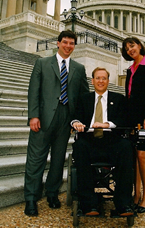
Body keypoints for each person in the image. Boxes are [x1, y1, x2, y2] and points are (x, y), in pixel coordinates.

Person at [24, 30, 89, 216]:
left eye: (72, 43)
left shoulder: (78, 68)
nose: (68, 46)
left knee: (58, 160)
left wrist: (79, 120)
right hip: (43, 118)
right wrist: (33, 116)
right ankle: (30, 198)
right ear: (58, 43)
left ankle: (52, 194)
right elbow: (33, 91)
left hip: (65, 119)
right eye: (65, 42)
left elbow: (84, 96)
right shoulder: (42, 63)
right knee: (36, 159)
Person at [72, 67, 134, 217]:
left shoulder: (118, 99)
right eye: (98, 78)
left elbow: (124, 119)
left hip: (112, 141)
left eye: (104, 78)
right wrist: (76, 123)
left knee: (126, 147)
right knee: (79, 147)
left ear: (108, 81)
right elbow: (75, 117)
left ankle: (123, 204)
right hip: (89, 141)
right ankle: (89, 203)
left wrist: (107, 124)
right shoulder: (84, 98)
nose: (101, 81)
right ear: (92, 81)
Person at [121, 37, 145, 214]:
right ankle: (135, 195)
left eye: (132, 45)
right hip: (132, 119)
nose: (130, 49)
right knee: (134, 157)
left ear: (139, 46)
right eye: (127, 48)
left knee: (143, 155)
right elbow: (129, 96)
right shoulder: (130, 70)